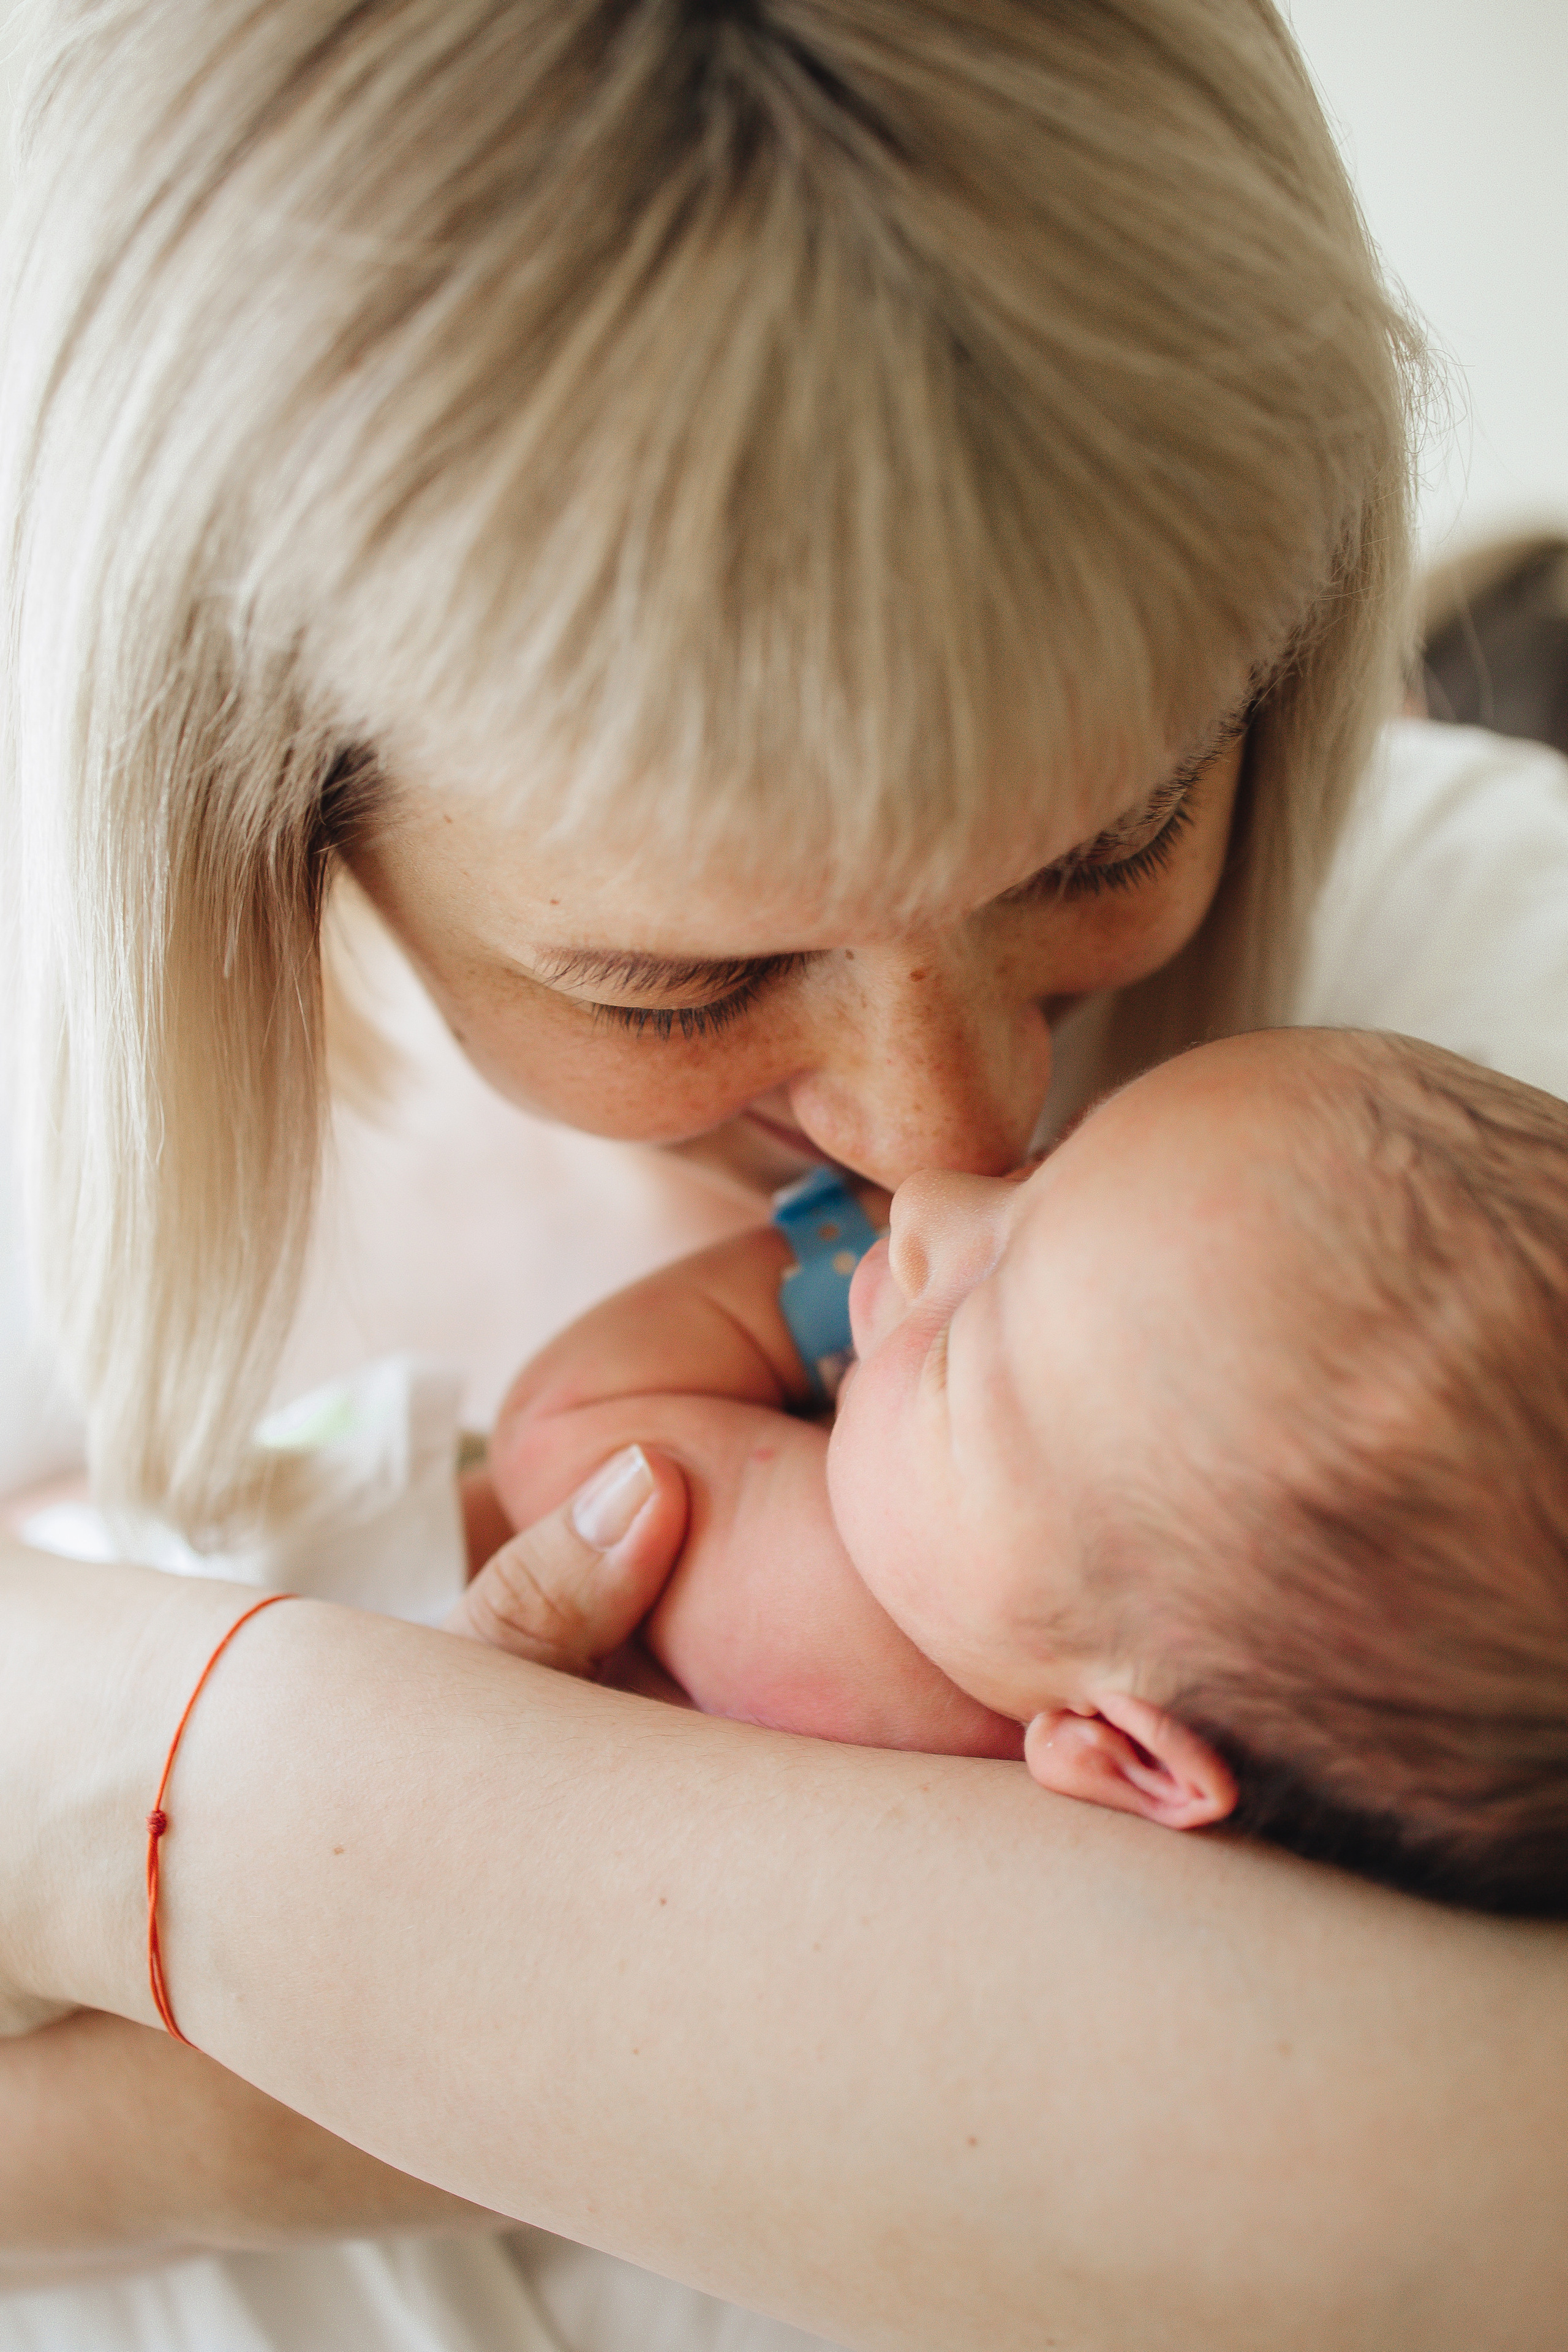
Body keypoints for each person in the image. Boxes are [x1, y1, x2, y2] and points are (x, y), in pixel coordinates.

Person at [2, 2, 1568, 2347]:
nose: (949, 1133)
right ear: (269, 822)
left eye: (1115, 835)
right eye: (679, 977)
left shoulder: (1486, 1072)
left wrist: (283, 1866)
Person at [470, 1026, 1568, 1914]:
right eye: (1057, 1159)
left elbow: (560, 1427)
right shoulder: (1069, 1614)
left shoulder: (884, 1656)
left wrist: (828, 1256)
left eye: (965, 1337)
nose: (929, 1194)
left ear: (1126, 1755)